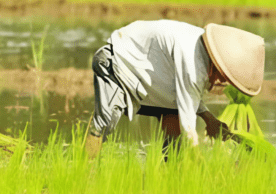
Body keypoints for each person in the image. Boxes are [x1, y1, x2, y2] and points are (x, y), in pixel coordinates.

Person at [85, 20, 265, 157]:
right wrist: (198, 161)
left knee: (172, 119)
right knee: (103, 125)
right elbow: (189, 128)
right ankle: (86, 172)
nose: (221, 83)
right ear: (218, 65)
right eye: (223, 78)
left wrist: (209, 119)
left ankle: (170, 175)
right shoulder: (194, 63)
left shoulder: (201, 51)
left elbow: (186, 94)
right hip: (118, 60)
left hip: (148, 75)